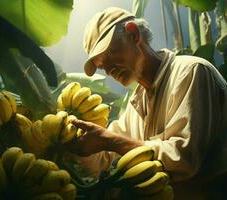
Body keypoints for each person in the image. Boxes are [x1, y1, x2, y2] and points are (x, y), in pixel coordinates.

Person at [65, 7, 227, 199]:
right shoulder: (135, 106)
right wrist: (72, 143)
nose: (109, 71)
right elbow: (106, 159)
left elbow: (183, 158)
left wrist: (109, 140)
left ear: (134, 34)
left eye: (109, 55)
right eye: (102, 66)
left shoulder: (190, 72)